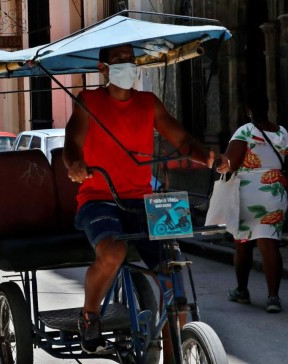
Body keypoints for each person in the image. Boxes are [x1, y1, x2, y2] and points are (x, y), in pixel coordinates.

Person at [63, 44, 214, 354]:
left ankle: (175, 357)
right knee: (113, 251)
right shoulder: (88, 100)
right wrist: (75, 164)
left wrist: (211, 159)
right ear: (103, 68)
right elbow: (72, 142)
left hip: (145, 200)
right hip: (99, 198)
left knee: (174, 275)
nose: (128, 66)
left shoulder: (148, 102)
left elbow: (183, 140)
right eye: (119, 60)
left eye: (131, 60)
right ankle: (90, 314)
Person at [217, 93, 286, 313]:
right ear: (268, 107)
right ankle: (273, 298)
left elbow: (231, 163)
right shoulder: (282, 132)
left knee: (243, 243)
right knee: (270, 244)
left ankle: (242, 290)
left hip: (248, 191)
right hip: (276, 190)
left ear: (248, 109)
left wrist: (219, 164)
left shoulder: (245, 131)